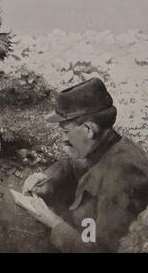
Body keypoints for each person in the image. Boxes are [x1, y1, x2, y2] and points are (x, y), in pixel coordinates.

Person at [22, 78, 148, 252]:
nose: (63, 138)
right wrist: (46, 180)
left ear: (88, 129)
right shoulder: (104, 144)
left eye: (66, 131)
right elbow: (74, 164)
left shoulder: (123, 175)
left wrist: (53, 222)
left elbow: (103, 250)